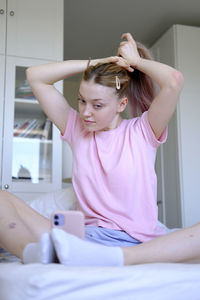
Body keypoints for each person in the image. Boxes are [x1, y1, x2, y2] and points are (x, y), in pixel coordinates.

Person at [0, 33, 200, 266]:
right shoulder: (76, 128)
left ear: (121, 104)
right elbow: (35, 77)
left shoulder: (142, 131)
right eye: (82, 100)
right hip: (88, 241)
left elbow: (174, 80)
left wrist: (136, 61)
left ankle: (121, 258)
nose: (85, 112)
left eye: (97, 105)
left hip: (141, 243)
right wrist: (94, 65)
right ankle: (33, 253)